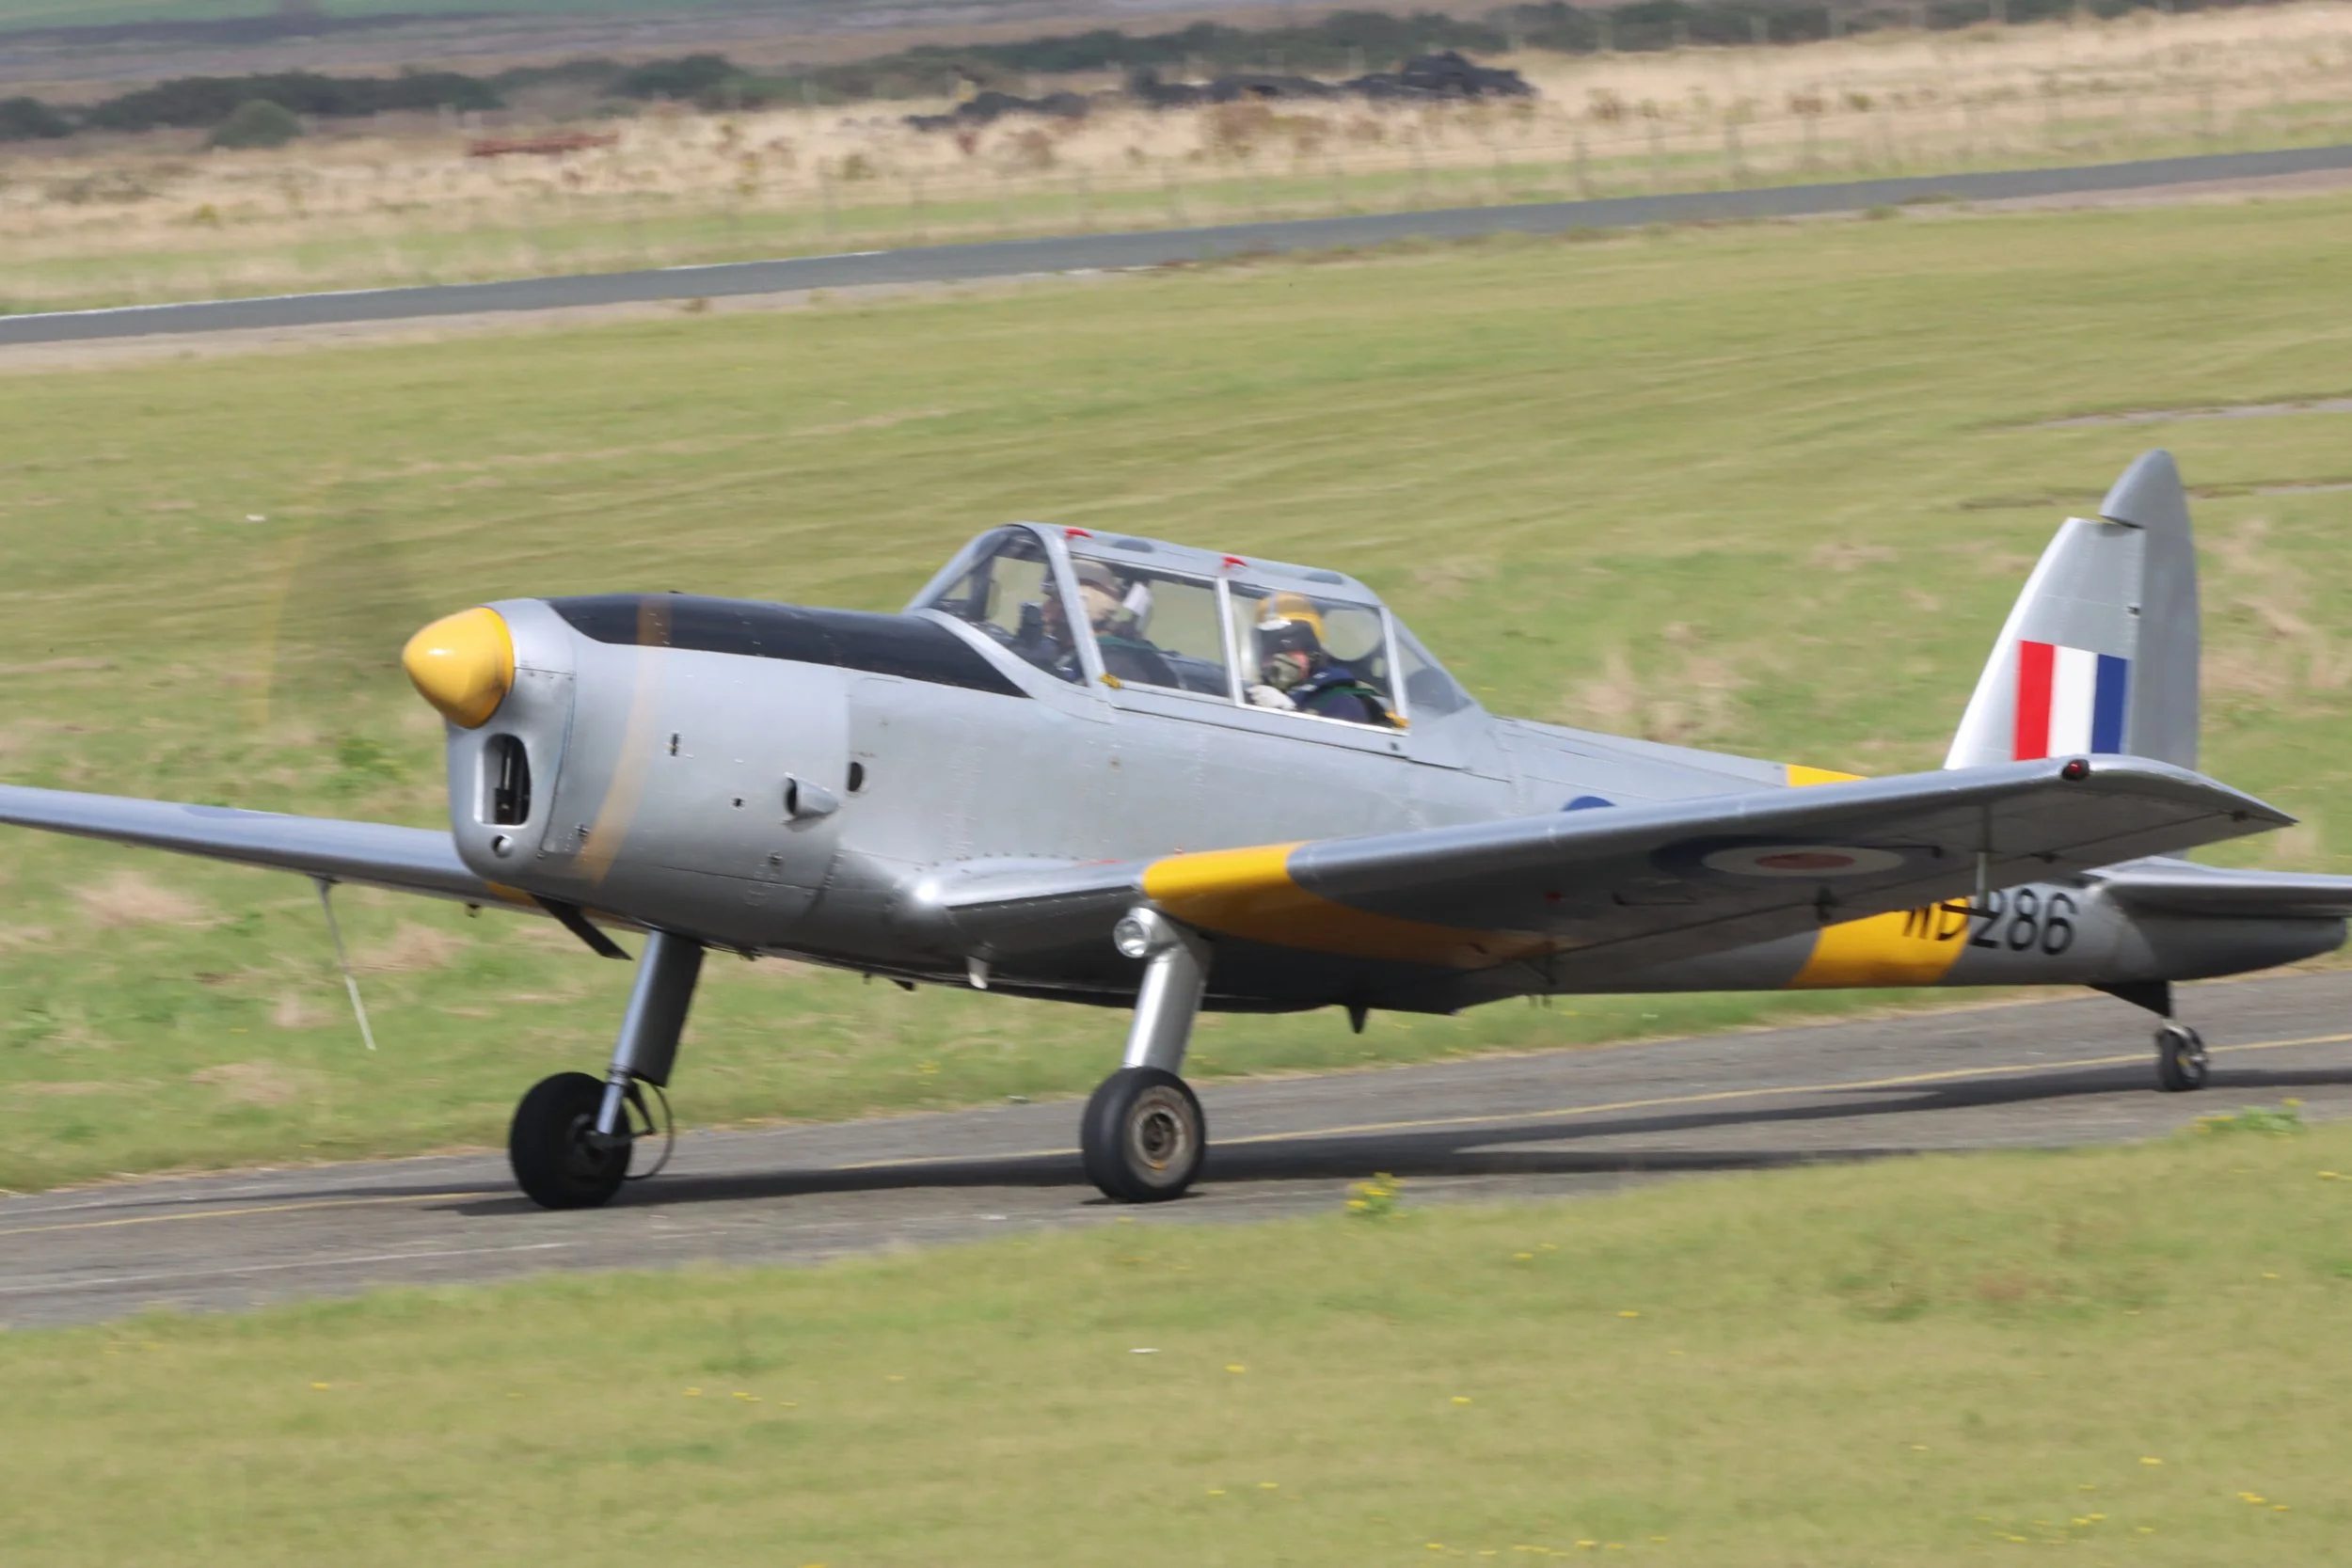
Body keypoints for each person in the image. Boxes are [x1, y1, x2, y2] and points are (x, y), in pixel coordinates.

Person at [1247, 602, 1395, 726]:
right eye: (1269, 647)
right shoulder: (1259, 694)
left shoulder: (1341, 703)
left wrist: (1288, 714)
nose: (1277, 656)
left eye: (1288, 644)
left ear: (1312, 650)